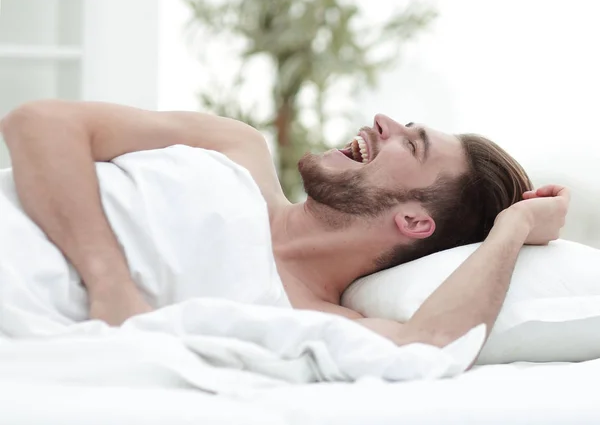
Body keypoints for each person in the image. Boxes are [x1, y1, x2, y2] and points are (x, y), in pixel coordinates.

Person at [0, 100, 568, 352]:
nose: (383, 121)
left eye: (411, 144)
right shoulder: (234, 147)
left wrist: (514, 227)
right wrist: (110, 283)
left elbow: (434, 344)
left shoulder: (312, 322)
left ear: (415, 220)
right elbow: (39, 122)